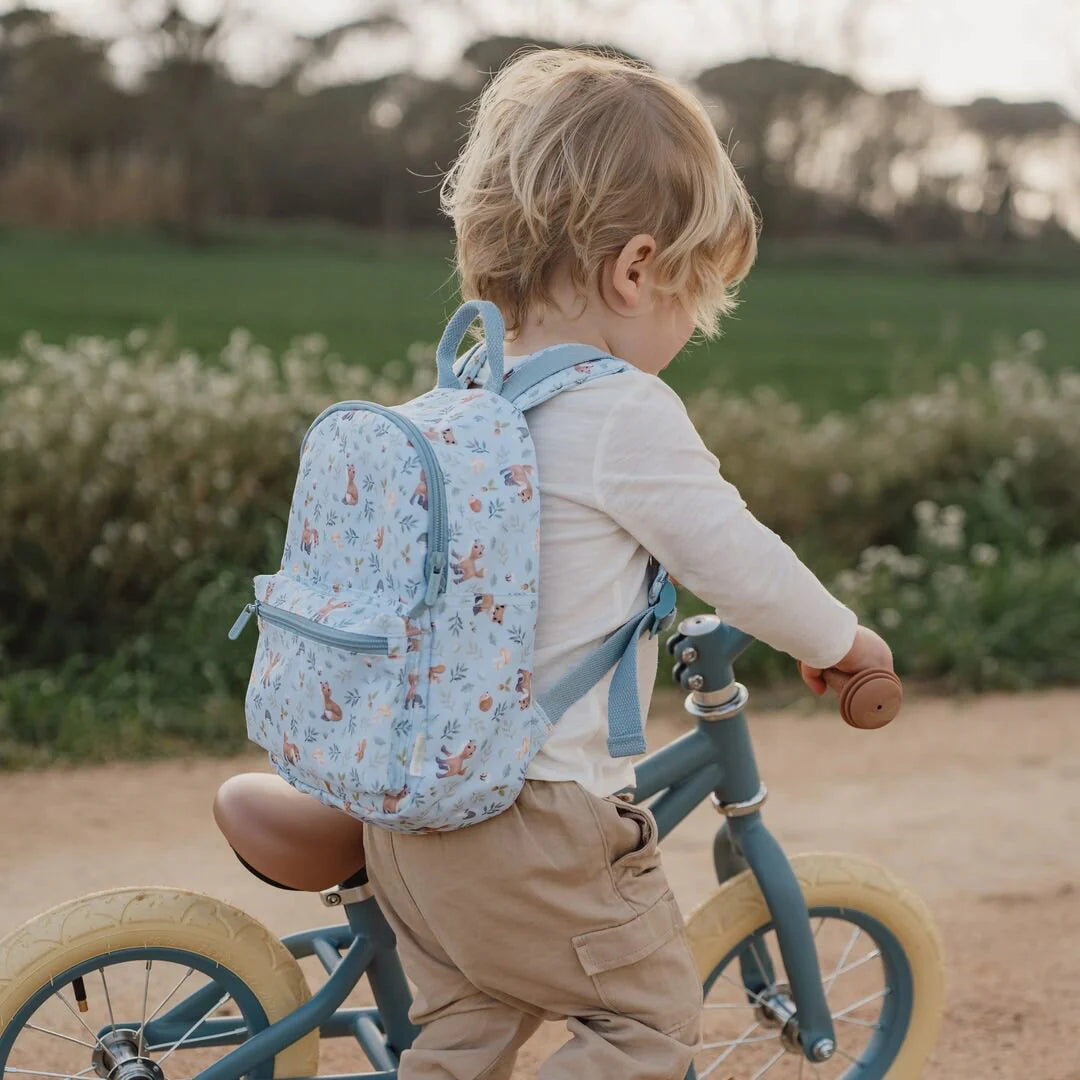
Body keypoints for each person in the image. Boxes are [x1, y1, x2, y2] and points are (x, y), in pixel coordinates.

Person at [362, 47, 894, 1080]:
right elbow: (737, 559)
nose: (695, 327)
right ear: (637, 268)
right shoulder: (618, 410)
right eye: (698, 295)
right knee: (647, 1017)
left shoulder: (467, 391)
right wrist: (844, 639)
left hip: (409, 812)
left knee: (466, 1027)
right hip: (535, 820)